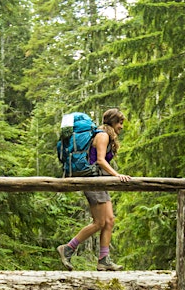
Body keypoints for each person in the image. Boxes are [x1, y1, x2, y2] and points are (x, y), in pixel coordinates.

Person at [56, 108, 132, 271]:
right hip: (93, 181)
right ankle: (68, 248)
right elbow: (100, 160)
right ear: (112, 122)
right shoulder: (103, 135)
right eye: (120, 122)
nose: (121, 126)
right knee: (99, 222)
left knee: (109, 220)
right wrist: (117, 175)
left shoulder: (104, 135)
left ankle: (104, 260)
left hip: (99, 181)